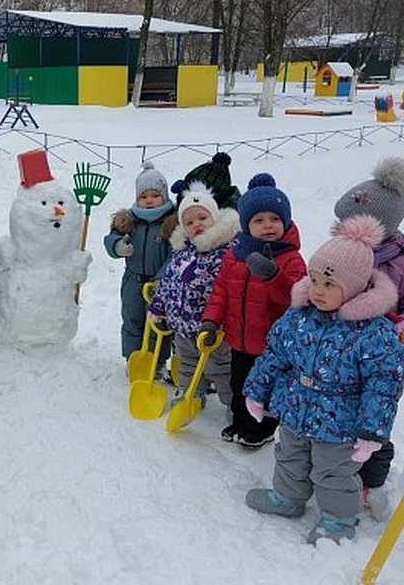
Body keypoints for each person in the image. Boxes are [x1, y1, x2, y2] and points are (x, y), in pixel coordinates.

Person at [244, 215, 404, 544]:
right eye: (314, 280)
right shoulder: (298, 317)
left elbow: (384, 385)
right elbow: (274, 354)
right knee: (289, 456)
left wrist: (372, 432)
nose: (317, 291)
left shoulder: (374, 332)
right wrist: (256, 390)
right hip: (296, 406)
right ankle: (288, 498)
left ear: (356, 286)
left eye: (329, 285)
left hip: (340, 421)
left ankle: (338, 519)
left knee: (333, 471)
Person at [200, 173, 307, 448]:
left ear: (285, 221)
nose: (268, 226)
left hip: (272, 345)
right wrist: (211, 320)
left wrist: (274, 275)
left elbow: (298, 298)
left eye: (274, 219)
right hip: (239, 339)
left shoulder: (291, 258)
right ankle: (240, 421)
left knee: (266, 389)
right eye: (259, 220)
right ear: (247, 225)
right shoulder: (235, 255)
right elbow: (221, 292)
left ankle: (263, 429)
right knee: (240, 384)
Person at [333, 156, 404, 518]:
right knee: (342, 409)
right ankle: (341, 469)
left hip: (382, 352)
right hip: (342, 348)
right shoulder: (343, 251)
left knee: (373, 417)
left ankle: (371, 479)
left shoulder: (399, 260)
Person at [148, 184, 239, 411]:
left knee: (221, 369)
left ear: (214, 218)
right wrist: (158, 308)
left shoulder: (226, 253)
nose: (196, 224)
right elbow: (167, 283)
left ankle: (234, 406)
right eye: (189, 222)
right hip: (183, 329)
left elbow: (231, 291)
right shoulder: (181, 254)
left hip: (213, 331)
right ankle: (190, 396)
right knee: (187, 366)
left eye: (202, 217)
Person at [103, 161, 176, 378]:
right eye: (144, 197)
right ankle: (134, 358)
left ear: (164, 195)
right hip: (133, 281)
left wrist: (163, 277)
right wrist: (117, 246)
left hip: (159, 285)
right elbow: (111, 238)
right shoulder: (128, 220)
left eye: (155, 195)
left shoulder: (171, 223)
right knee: (132, 319)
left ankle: (158, 360)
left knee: (158, 323)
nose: (149, 200)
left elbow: (176, 253)